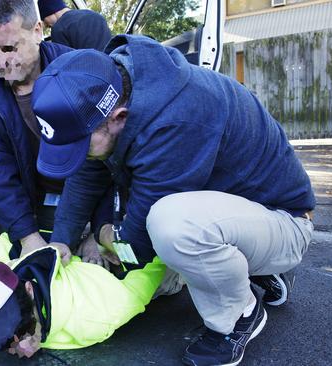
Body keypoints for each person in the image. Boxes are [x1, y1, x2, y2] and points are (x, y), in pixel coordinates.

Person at [30, 36, 315, 366]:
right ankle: (245, 267)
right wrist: (62, 240)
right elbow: (88, 170)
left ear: (118, 117)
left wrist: (106, 234)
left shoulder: (177, 119)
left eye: (79, 145)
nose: (76, 156)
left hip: (285, 222)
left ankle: (239, 315)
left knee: (171, 227)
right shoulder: (111, 86)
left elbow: (136, 247)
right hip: (239, 218)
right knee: (159, 278)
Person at [0, 0, 114, 267]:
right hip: (43, 202)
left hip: (96, 194)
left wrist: (100, 228)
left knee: (116, 267)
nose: (0, 61)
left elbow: (106, 160)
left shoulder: (78, 71)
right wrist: (28, 238)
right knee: (33, 270)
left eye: (9, 47)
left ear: (37, 31)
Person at [0, 233, 183, 357]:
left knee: (171, 267)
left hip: (132, 262)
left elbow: (150, 262)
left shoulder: (98, 317)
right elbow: (5, 238)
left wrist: (101, 236)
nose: (21, 347)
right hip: (75, 232)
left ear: (29, 289)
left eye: (22, 330)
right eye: (6, 339)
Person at [38, 0, 112, 51]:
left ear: (51, 12)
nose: (47, 25)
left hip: (90, 71)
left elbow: (65, 64)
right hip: (114, 70)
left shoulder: (59, 28)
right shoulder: (95, 15)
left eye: (44, 20)